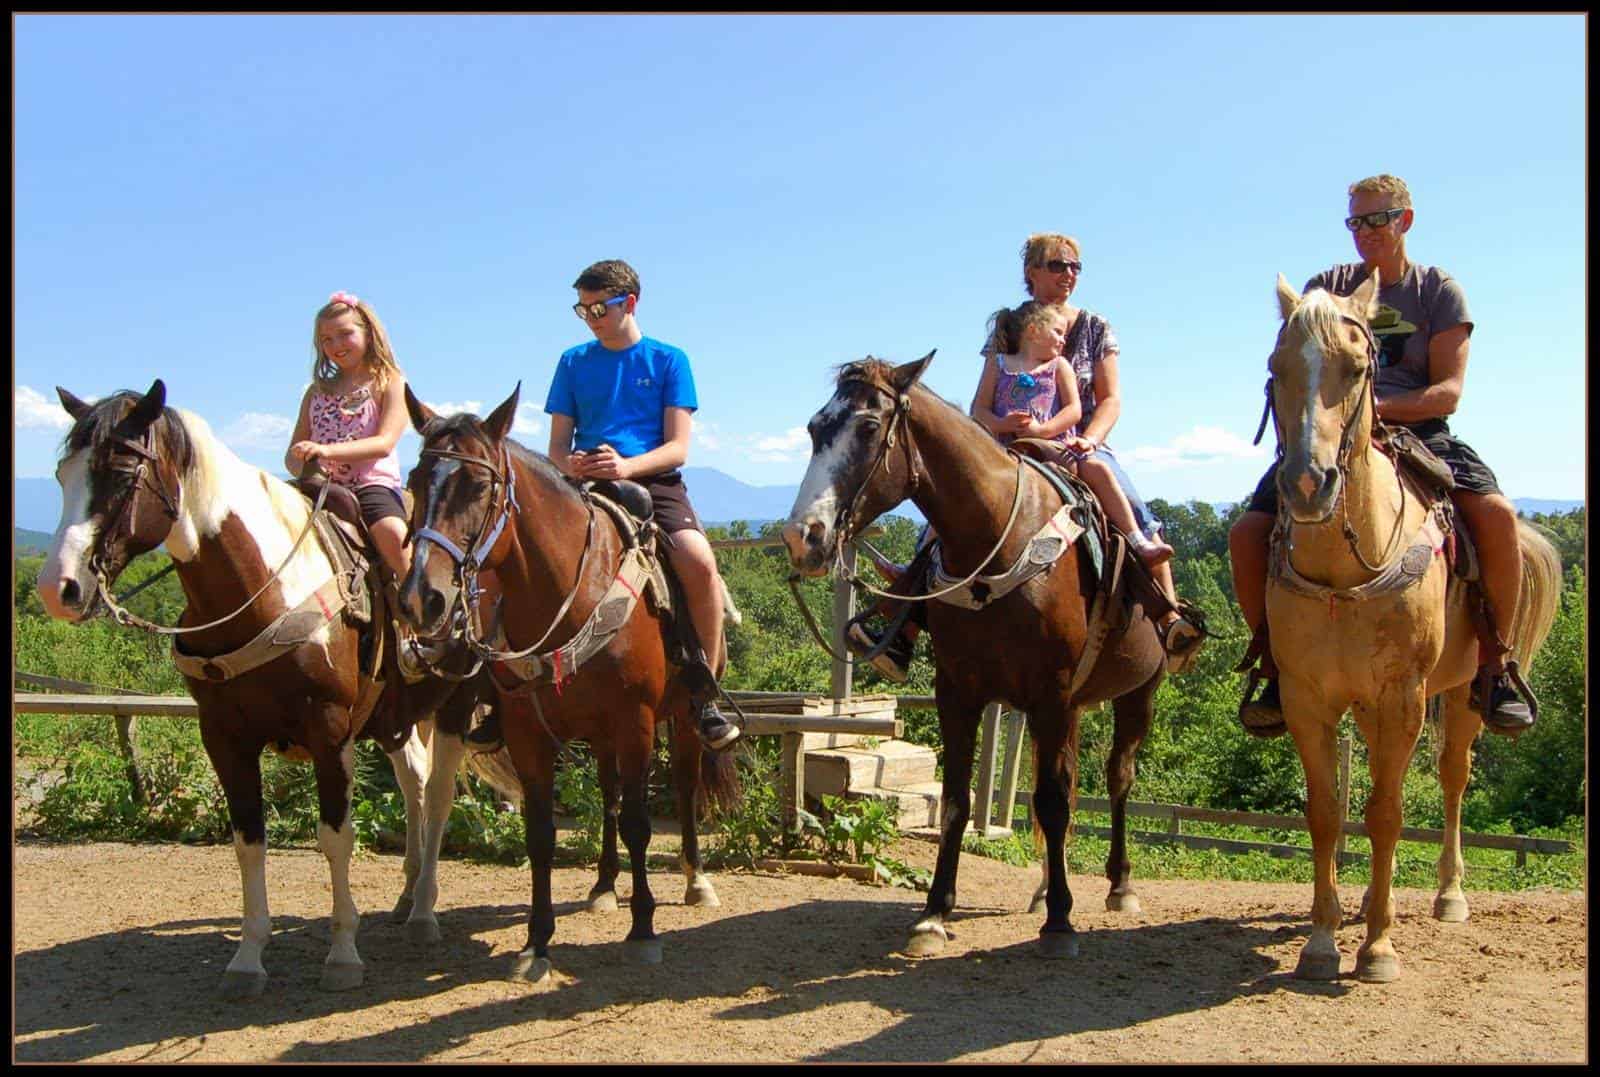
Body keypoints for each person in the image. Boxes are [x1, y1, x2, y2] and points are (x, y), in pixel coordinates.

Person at [1230, 173, 1534, 737]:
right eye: (1356, 221)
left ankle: (1496, 664)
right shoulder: (1329, 285)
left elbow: (1449, 391)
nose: (1366, 231)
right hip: (1330, 435)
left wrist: (1377, 410)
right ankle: (1274, 662)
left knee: (1496, 517)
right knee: (1247, 532)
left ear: (1405, 220)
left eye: (1378, 218)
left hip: (1420, 428)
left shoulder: (1437, 291)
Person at [848, 234, 1204, 683]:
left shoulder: (1094, 326)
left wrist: (1090, 440)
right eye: (1059, 265)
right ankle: (904, 623)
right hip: (1005, 448)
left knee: (1130, 506)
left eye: (1076, 266)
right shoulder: (1007, 328)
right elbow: (983, 398)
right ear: (1031, 272)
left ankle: (1167, 617)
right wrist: (999, 427)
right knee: (949, 511)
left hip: (1077, 443)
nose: (1069, 274)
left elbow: (1110, 399)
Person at [545, 259, 739, 751]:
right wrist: (577, 466)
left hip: (654, 481)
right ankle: (499, 686)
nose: (591, 318)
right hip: (584, 485)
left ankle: (705, 694)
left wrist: (626, 467)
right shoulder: (572, 362)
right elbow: (555, 450)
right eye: (582, 309)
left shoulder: (669, 360)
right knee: (520, 552)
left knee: (698, 562)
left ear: (629, 303)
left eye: (599, 308)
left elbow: (678, 447)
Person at [286, 291, 443, 682]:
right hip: (318, 485)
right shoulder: (315, 392)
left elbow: (386, 441)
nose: (336, 346)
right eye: (326, 340)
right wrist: (302, 457)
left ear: (368, 333)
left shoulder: (389, 382)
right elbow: (292, 452)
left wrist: (327, 448)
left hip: (370, 482)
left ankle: (420, 623)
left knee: (391, 532)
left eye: (344, 335)